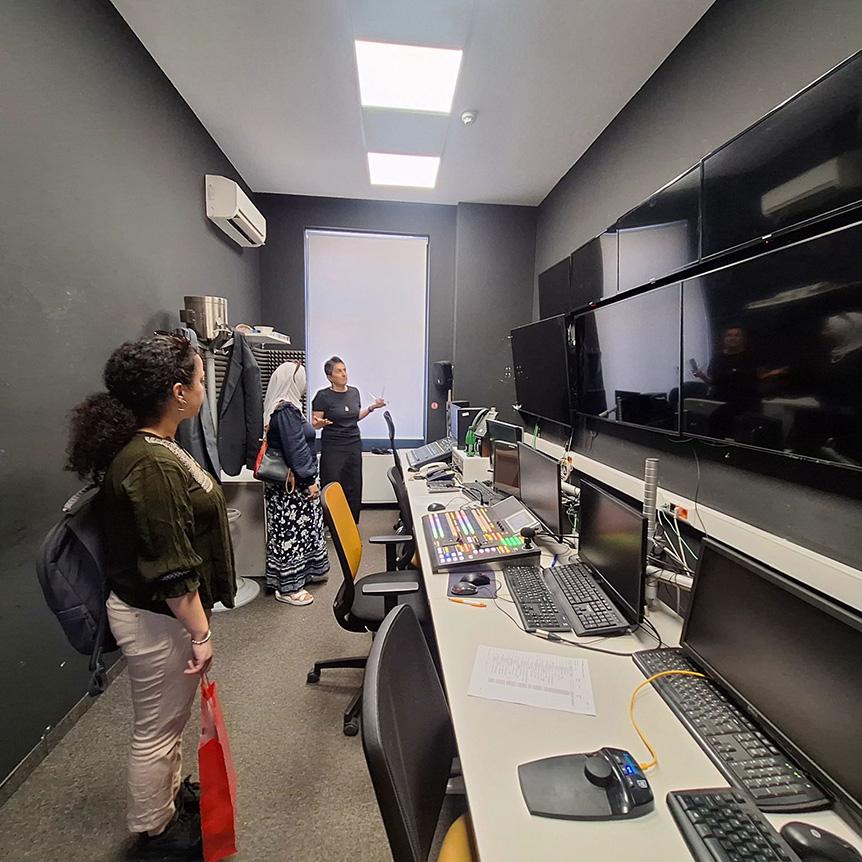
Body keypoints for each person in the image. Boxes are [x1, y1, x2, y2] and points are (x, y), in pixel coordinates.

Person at [66, 334, 236, 861]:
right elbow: (170, 565)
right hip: (158, 618)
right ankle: (155, 832)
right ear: (179, 392)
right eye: (202, 379)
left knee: (169, 719)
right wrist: (201, 633)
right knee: (157, 729)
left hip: (161, 616)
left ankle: (162, 804)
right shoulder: (150, 464)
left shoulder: (156, 446)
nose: (206, 386)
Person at [262, 360, 329, 605]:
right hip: (293, 488)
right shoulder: (286, 410)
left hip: (290, 486)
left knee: (298, 533)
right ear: (293, 381)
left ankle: (301, 574)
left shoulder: (281, 409)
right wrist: (310, 480)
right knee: (291, 534)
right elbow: (296, 449)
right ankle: (288, 587)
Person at [311, 356, 385, 522]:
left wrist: (372, 407)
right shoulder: (322, 396)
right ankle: (331, 524)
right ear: (330, 377)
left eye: (344, 370)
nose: (344, 374)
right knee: (333, 485)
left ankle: (351, 522)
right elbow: (314, 424)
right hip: (333, 447)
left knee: (353, 484)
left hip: (353, 444)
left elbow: (354, 417)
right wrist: (320, 423)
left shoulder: (354, 392)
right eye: (339, 371)